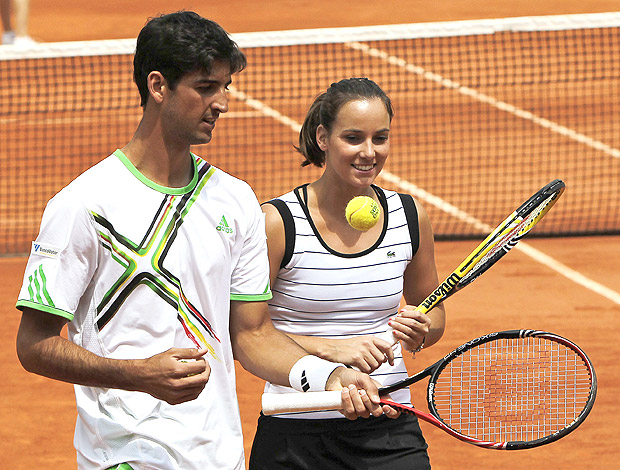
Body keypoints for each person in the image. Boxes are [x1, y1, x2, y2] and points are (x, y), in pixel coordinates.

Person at [15, 13, 385, 470]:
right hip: (126, 455)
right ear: (158, 86)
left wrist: (327, 376)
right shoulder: (84, 205)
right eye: (206, 87)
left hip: (218, 455)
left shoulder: (236, 200)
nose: (223, 103)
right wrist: (137, 376)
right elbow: (33, 345)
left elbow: (252, 334)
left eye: (226, 87)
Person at [249, 77, 446, 469]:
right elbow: (245, 333)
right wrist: (328, 349)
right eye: (353, 138)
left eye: (380, 138)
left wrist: (422, 329)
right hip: (296, 431)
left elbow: (435, 313)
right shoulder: (277, 223)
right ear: (323, 137)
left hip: (388, 424)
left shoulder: (409, 217)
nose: (369, 153)